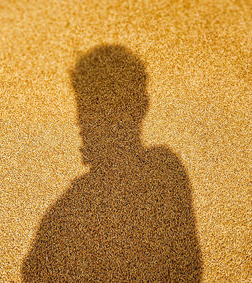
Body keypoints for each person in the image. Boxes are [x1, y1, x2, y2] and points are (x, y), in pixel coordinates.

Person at [22, 45, 203, 282]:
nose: (81, 122)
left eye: (97, 107)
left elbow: (187, 268)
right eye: (85, 107)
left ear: (139, 107)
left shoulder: (73, 210)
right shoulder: (164, 173)